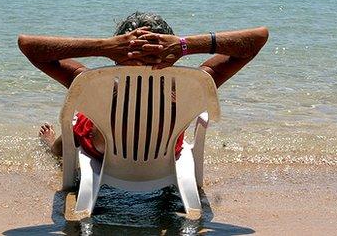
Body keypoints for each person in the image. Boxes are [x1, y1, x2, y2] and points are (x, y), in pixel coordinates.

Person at [18, 11, 268, 159]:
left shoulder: (94, 85)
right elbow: (258, 39)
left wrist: (103, 47)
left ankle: (53, 148)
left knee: (79, 119)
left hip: (105, 151)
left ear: (119, 50)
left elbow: (28, 45)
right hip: (163, 153)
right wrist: (185, 45)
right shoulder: (190, 86)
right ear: (169, 51)